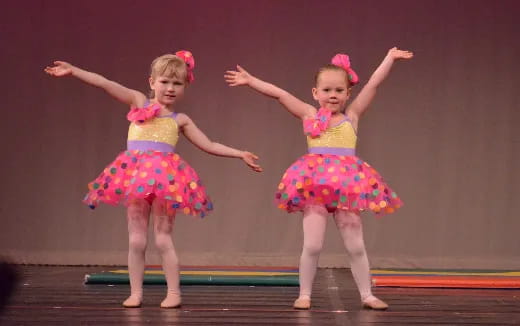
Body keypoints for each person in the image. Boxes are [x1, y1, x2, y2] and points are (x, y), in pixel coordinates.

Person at [45, 50, 262, 308]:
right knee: (136, 239)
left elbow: (209, 144)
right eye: (165, 82)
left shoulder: (180, 119)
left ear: (185, 86)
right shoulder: (138, 102)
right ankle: (136, 293)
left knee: (162, 239)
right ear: (152, 83)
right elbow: (105, 83)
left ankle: (174, 293)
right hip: (135, 177)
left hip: (166, 182)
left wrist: (239, 154)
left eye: (177, 83)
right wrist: (75, 71)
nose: (170, 88)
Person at [225, 47, 412, 310]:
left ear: (348, 93)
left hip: (347, 188)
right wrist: (251, 81)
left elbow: (373, 84)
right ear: (315, 93)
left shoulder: (352, 116)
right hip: (315, 187)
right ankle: (305, 294)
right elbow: (280, 94)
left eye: (338, 90)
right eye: (326, 90)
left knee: (356, 245)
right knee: (312, 245)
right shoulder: (308, 114)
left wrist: (389, 58)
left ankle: (367, 295)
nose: (333, 95)